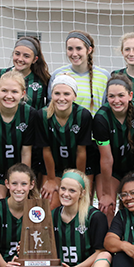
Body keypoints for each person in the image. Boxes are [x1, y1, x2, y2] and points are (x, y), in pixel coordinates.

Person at [34, 169, 111, 267]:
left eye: (72, 191)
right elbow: (44, 247)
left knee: (105, 255)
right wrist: (26, 250)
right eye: (63, 189)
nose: (65, 194)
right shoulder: (52, 215)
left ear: (82, 193)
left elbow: (100, 252)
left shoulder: (95, 217)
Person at [93, 74, 134, 225]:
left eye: (121, 95)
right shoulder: (101, 119)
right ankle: (110, 246)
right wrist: (105, 194)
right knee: (108, 207)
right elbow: (106, 159)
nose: (116, 101)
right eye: (111, 96)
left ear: (130, 95)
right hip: (111, 170)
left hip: (133, 166)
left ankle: (132, 243)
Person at [0, 70, 37, 209]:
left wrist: (23, 184)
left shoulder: (30, 114)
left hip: (20, 171)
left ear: (23, 94)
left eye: (14, 92)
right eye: (4, 91)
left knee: (22, 207)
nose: (9, 96)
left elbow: (26, 153)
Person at [36, 75, 93, 210]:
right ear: (51, 95)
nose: (61, 98)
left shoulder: (83, 115)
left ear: (74, 96)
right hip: (53, 168)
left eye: (66, 93)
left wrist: (78, 180)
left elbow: (81, 152)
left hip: (78, 167)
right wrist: (51, 179)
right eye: (57, 93)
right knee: (50, 204)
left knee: (80, 206)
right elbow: (46, 150)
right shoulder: (42, 115)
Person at [48, 30, 110, 116]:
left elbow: (107, 107)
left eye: (78, 48)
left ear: (89, 50)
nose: (74, 54)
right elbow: (51, 105)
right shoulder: (58, 74)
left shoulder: (104, 76)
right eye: (70, 49)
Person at [0, 36, 50, 110]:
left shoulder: (43, 79)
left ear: (34, 59)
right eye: (17, 54)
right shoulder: (0, 74)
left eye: (26, 56)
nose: (20, 59)